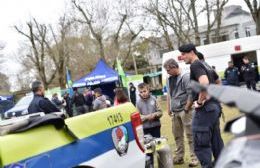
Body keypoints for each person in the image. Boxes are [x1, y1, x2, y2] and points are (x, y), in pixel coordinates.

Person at [180, 43, 224, 168]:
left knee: (201, 143)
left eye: (183, 54)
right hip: (214, 108)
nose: (182, 57)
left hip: (205, 110)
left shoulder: (195, 64)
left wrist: (200, 101)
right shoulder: (205, 64)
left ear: (192, 52)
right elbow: (217, 80)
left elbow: (204, 83)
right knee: (216, 141)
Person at [163, 58, 198, 167]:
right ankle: (179, 157)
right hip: (175, 112)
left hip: (185, 110)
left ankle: (194, 158)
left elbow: (191, 94)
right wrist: (168, 108)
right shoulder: (168, 79)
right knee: (177, 135)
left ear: (174, 67)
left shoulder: (185, 76)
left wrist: (187, 108)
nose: (167, 72)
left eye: (168, 70)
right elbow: (169, 94)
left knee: (190, 135)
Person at [136, 82, 162, 167]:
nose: (143, 93)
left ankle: (161, 165)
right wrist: (147, 117)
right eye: (141, 92)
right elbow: (138, 117)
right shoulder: (138, 103)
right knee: (148, 150)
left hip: (156, 127)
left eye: (144, 91)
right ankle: (150, 166)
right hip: (146, 129)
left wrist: (154, 115)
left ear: (148, 90)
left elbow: (160, 112)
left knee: (158, 148)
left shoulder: (154, 99)